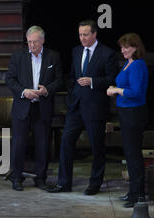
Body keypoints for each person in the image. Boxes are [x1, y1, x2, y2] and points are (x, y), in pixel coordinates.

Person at [47, 20, 118, 195]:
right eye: (80, 34)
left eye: (86, 34)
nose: (82, 38)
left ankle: (95, 184)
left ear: (94, 34)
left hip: (95, 107)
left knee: (96, 148)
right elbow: (71, 76)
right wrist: (72, 95)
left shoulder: (107, 53)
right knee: (66, 143)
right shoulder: (76, 51)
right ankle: (64, 183)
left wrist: (92, 81)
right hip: (75, 106)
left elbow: (112, 78)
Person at [5, 25, 63, 191]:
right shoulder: (18, 56)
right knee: (18, 144)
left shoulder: (53, 57)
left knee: (43, 145)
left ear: (43, 40)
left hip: (42, 107)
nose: (31, 45)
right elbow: (10, 80)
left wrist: (47, 90)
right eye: (29, 42)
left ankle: (40, 179)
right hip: (22, 107)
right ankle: (16, 178)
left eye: (35, 42)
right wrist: (24, 92)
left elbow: (59, 81)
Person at [107, 33, 149, 208]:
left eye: (127, 47)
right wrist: (116, 88)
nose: (123, 50)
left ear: (136, 48)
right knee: (130, 154)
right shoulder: (128, 63)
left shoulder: (138, 65)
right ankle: (133, 192)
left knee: (133, 155)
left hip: (134, 113)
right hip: (126, 112)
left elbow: (136, 92)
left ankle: (138, 195)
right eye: (122, 47)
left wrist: (116, 90)